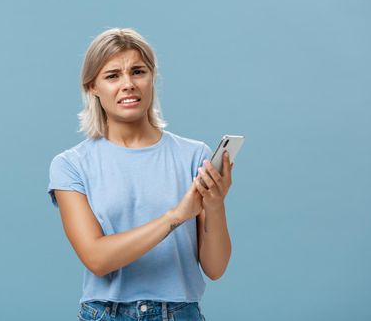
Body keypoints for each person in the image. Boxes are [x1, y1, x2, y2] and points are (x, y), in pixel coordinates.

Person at [47, 27, 234, 321]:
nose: (128, 84)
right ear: (92, 86)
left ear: (152, 77)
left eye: (138, 71)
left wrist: (214, 204)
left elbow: (216, 268)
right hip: (105, 314)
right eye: (112, 76)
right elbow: (97, 259)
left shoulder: (194, 156)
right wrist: (176, 216)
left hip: (180, 313)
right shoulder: (71, 164)